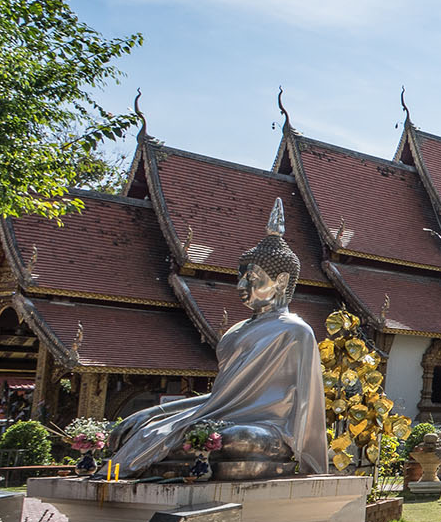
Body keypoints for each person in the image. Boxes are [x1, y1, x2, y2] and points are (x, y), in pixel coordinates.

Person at [105, 200, 328, 478]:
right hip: (222, 416)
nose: (241, 286)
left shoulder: (296, 331)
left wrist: (307, 452)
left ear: (281, 281)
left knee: (238, 439)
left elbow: (308, 403)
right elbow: (222, 399)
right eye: (241, 278)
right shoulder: (235, 332)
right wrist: (156, 412)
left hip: (268, 427)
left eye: (252, 278)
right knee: (149, 426)